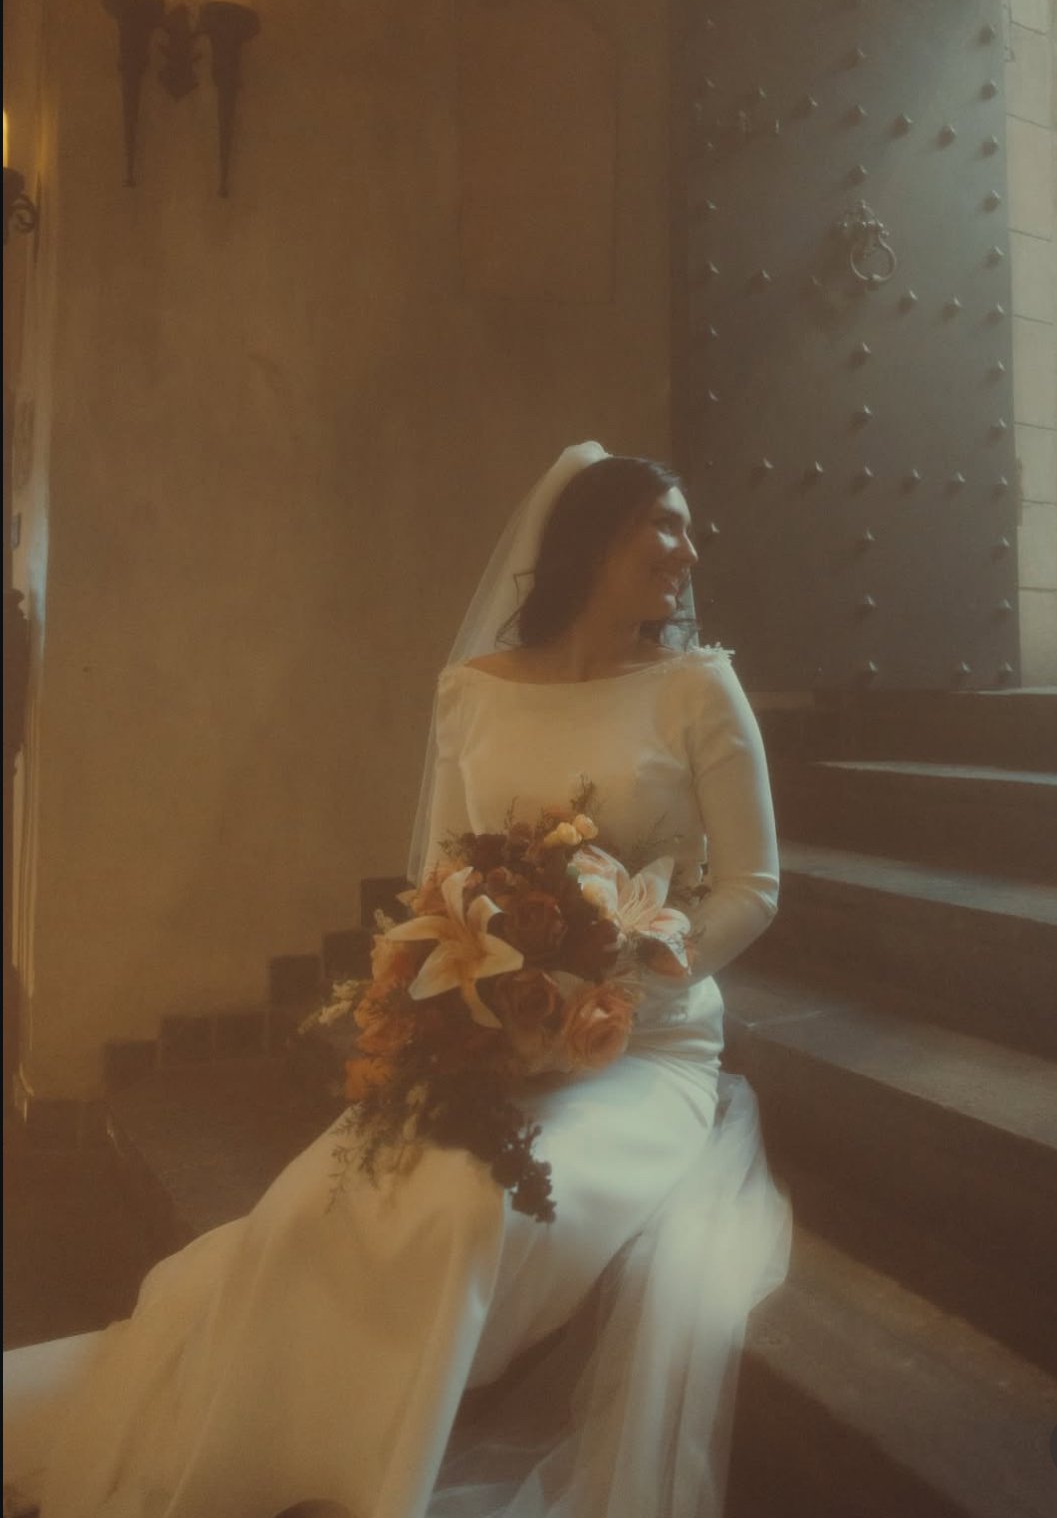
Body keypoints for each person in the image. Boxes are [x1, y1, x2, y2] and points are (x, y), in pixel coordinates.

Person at [3, 442, 792, 1518]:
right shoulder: (472, 691)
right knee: (310, 1206)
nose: (687, 551)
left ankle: (374, 1477)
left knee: (468, 1207)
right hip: (498, 1025)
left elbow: (753, 886)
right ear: (592, 537)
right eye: (665, 523)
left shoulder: (698, 687)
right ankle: (270, 1434)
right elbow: (442, 878)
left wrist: (625, 976)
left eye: (689, 530)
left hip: (638, 1046)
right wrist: (463, 1007)